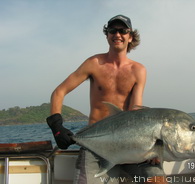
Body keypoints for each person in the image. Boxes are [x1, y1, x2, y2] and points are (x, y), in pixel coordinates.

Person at [46, 15, 167, 184]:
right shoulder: (94, 63)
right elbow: (59, 92)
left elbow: (136, 112)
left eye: (123, 30)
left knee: (158, 181)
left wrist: (152, 151)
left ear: (130, 36)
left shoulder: (138, 70)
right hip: (97, 146)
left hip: (130, 143)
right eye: (112, 30)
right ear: (107, 35)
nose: (117, 34)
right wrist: (56, 126)